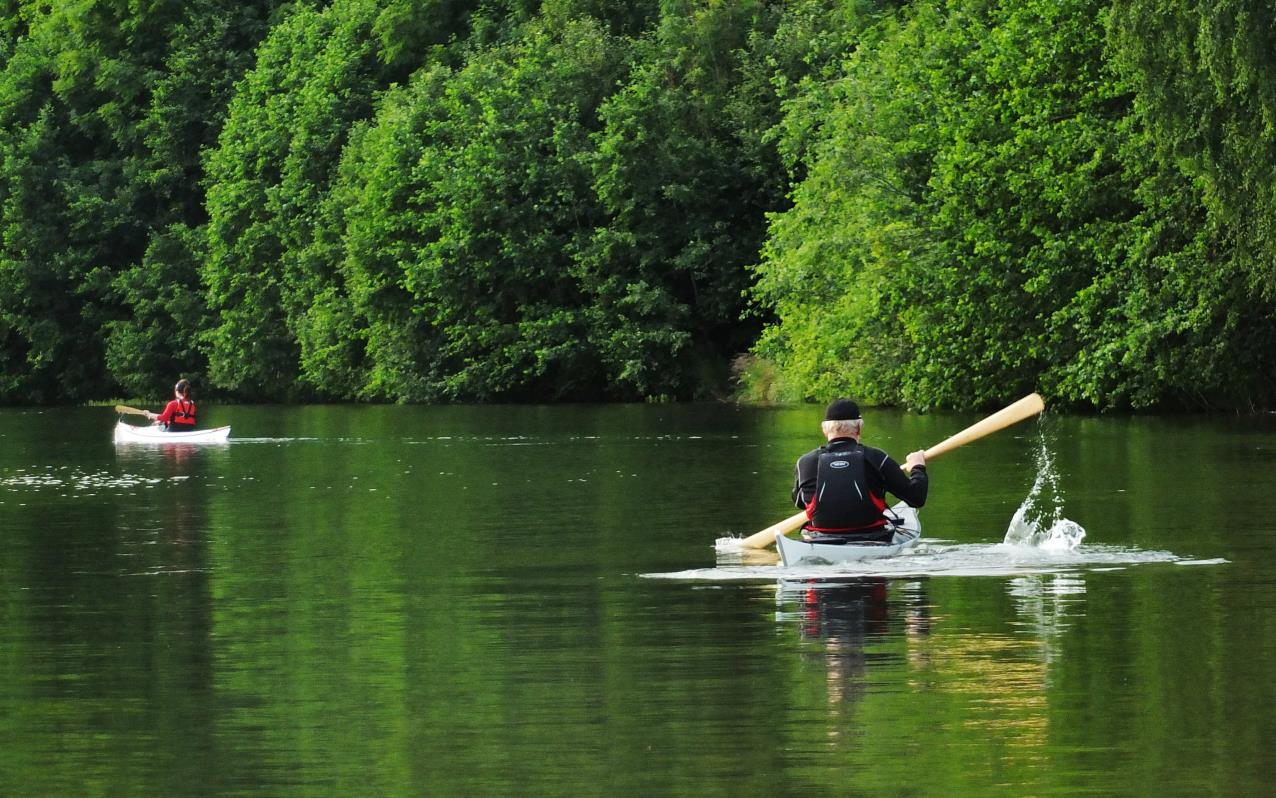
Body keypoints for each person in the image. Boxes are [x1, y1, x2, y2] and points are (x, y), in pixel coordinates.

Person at [792, 398, 928, 542]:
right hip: (874, 538)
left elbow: (800, 502)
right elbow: (916, 498)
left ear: (825, 430)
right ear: (858, 428)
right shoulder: (877, 458)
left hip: (822, 539)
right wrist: (917, 467)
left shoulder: (804, 463)